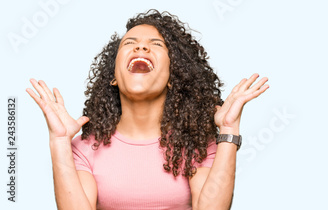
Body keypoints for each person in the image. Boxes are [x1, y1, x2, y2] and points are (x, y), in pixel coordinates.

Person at [26, 9, 269, 210]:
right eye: (130, 43)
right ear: (113, 77)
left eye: (155, 45)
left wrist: (228, 130)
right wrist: (59, 142)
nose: (141, 48)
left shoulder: (196, 144)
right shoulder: (84, 148)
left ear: (173, 77)